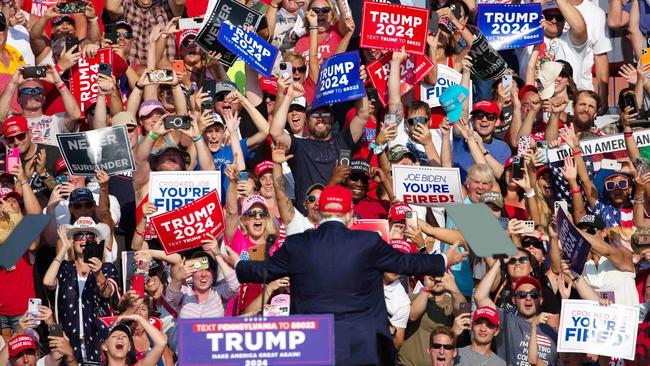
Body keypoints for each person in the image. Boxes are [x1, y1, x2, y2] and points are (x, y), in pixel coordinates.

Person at [235, 185, 468, 365]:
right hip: (362, 347)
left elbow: (261, 271)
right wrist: (444, 260)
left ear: (321, 211)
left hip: (312, 345)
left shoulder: (298, 244)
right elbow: (406, 262)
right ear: (349, 214)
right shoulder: (367, 242)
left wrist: (236, 265)